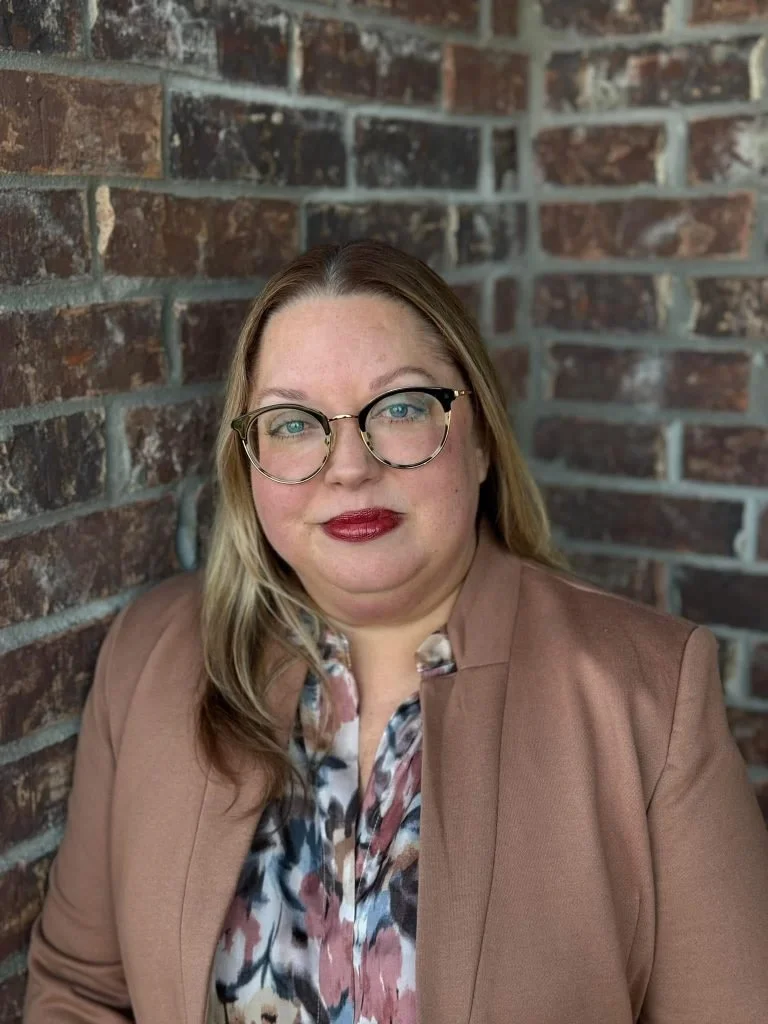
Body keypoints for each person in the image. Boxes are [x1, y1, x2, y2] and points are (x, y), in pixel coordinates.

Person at [24, 240, 768, 1024]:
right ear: (247, 465)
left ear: (480, 439)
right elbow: (81, 989)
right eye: (293, 423)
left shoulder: (648, 688)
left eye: (402, 408)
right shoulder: (155, 655)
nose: (348, 466)